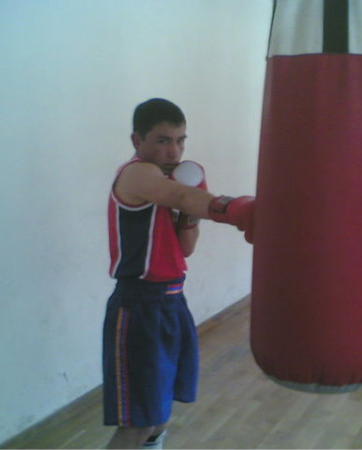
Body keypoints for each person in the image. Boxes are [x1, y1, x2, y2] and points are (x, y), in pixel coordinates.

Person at [103, 98, 255, 449]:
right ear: (137, 140)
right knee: (138, 424)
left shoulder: (174, 180)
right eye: (163, 140)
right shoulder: (138, 173)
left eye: (181, 140)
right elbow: (178, 195)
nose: (174, 150)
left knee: (159, 413)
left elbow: (185, 248)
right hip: (139, 304)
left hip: (172, 300)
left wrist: (190, 213)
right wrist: (232, 208)